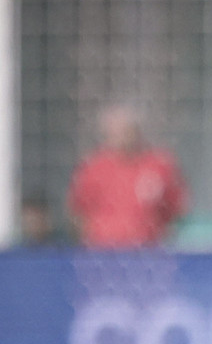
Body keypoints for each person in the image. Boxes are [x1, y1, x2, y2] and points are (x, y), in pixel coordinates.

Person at [67, 104, 187, 248]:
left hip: (147, 253)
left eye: (126, 131)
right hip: (103, 253)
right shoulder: (92, 167)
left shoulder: (159, 165)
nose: (121, 137)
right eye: (115, 132)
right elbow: (78, 211)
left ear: (137, 131)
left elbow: (176, 207)